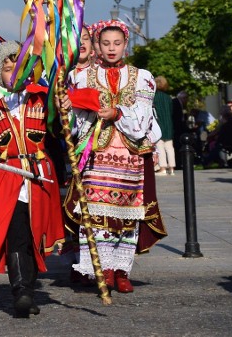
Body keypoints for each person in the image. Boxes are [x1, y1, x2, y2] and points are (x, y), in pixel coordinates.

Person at [66, 20, 166, 293]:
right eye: (106, 43)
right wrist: (67, 106)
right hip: (96, 154)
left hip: (130, 153)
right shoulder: (81, 77)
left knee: (128, 214)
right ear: (97, 45)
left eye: (117, 43)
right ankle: (104, 269)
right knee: (96, 213)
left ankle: (122, 270)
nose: (111, 48)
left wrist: (117, 113)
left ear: (125, 45)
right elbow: (75, 124)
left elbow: (142, 119)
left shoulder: (143, 76)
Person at [0, 41, 64, 318]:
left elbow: (60, 132)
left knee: (36, 238)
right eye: (8, 70)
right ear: (0, 75)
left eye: (20, 69)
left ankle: (29, 291)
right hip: (8, 180)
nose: (14, 75)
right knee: (16, 235)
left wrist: (62, 106)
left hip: (40, 178)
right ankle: (20, 290)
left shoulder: (44, 102)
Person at [153, 76, 176, 175]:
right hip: (169, 124)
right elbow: (171, 111)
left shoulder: (154, 97)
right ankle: (172, 168)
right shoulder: (168, 97)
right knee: (170, 147)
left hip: (159, 124)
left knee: (160, 147)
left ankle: (163, 168)